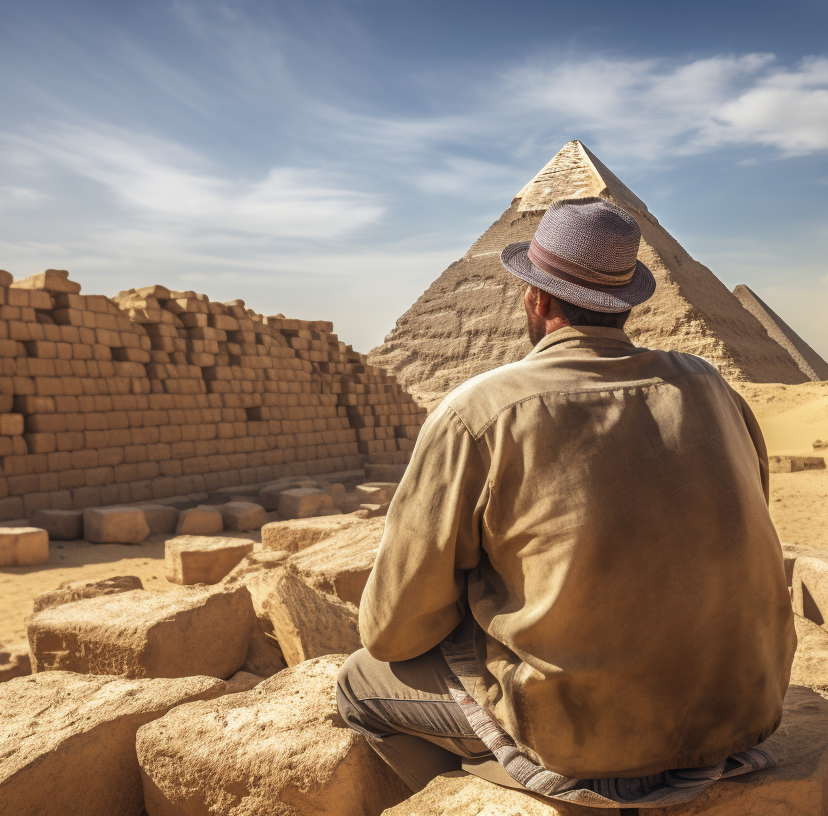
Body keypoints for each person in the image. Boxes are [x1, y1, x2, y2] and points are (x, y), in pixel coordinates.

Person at [335, 197, 796, 808]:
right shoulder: (711, 386)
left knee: (358, 684)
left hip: (588, 741)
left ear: (536, 299)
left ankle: (496, 802)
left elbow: (392, 631)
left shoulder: (479, 412)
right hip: (739, 711)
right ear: (628, 301)